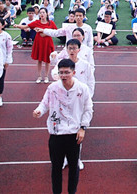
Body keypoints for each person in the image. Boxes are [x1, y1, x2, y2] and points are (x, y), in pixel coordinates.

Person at [33, 58, 93, 194]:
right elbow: (44, 103)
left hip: (73, 134)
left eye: (67, 72)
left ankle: (72, 191)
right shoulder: (53, 88)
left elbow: (88, 109)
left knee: (73, 167)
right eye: (61, 73)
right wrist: (39, 111)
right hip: (56, 133)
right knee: (56, 167)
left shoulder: (82, 89)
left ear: (74, 72)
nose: (63, 76)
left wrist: (83, 127)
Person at [51, 37, 95, 171]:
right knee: (62, 131)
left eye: (74, 48)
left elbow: (91, 82)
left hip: (79, 102)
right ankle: (64, 158)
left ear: (79, 50)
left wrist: (88, 98)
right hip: (62, 102)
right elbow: (54, 74)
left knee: (77, 131)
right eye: (69, 48)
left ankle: (76, 158)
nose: (72, 51)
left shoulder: (85, 65)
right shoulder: (61, 63)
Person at [20, 7, 56, 83]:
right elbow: (26, 26)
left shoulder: (51, 23)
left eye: (43, 12)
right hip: (39, 42)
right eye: (40, 13)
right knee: (39, 60)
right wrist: (17, 26)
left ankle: (46, 76)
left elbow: (56, 32)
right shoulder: (36, 22)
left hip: (47, 43)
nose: (42, 14)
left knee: (47, 60)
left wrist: (46, 33)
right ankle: (39, 76)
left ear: (46, 14)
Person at [0, 18, 13, 106]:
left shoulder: (6, 36)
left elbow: (9, 49)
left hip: (2, 61)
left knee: (0, 80)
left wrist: (7, 61)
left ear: (3, 25)